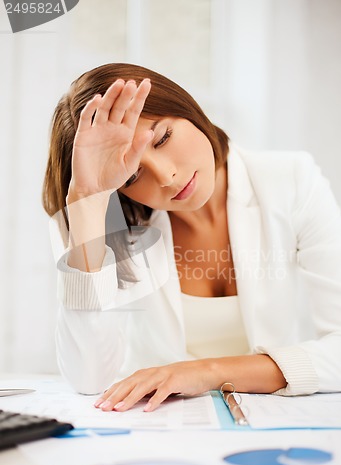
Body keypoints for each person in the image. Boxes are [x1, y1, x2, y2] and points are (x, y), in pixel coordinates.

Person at [43, 62, 341, 413]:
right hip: (160, 427)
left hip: (273, 419)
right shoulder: (102, 219)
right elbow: (87, 377)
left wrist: (206, 372)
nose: (166, 176)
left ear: (187, 108)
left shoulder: (291, 180)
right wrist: (87, 199)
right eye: (133, 175)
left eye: (163, 138)